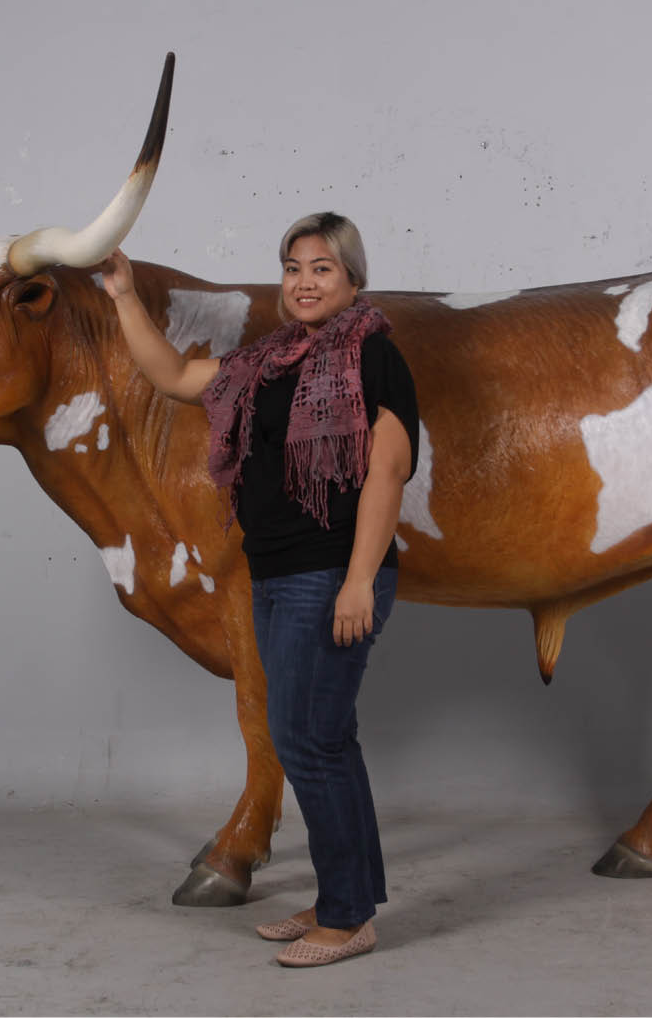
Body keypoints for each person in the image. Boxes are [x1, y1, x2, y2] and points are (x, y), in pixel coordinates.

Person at [99, 212, 419, 968]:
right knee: (318, 738)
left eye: (322, 269)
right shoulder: (269, 359)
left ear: (352, 281)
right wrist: (120, 295)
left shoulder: (373, 353)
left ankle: (346, 920)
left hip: (332, 574)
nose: (304, 282)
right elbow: (175, 376)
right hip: (276, 573)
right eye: (293, 267)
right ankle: (347, 893)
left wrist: (358, 582)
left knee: (309, 742)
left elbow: (388, 470)